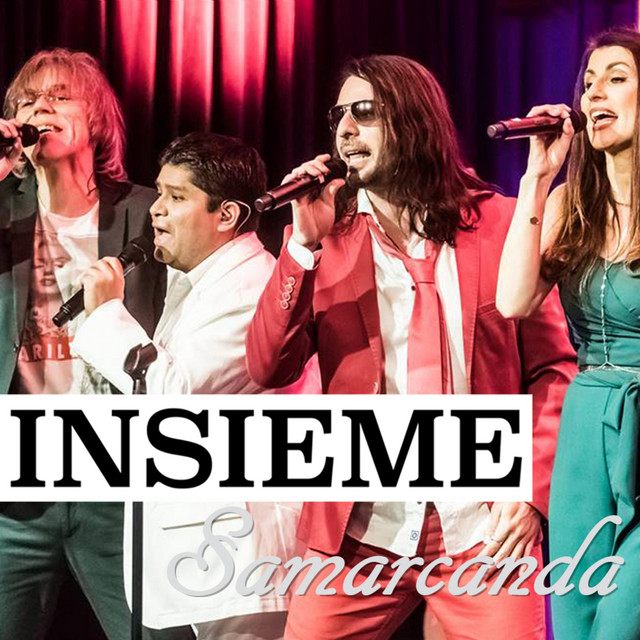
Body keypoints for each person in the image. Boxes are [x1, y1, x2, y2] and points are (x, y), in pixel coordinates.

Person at [245, 54, 577, 640]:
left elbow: (554, 369)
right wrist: (300, 247)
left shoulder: (501, 224)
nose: (345, 131)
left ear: (415, 120)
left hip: (482, 528)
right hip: (358, 530)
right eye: (338, 117)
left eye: (364, 113)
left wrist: (532, 493)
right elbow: (269, 366)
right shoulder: (326, 239)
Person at [72, 132, 318, 639]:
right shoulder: (201, 283)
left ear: (226, 215)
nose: (156, 210)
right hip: (197, 555)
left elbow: (174, 395)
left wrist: (107, 313)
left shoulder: (252, 287)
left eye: (176, 197)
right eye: (159, 193)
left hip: (235, 556)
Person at [0, 49, 189, 640]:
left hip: (118, 481)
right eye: (29, 101)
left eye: (60, 97)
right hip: (16, 492)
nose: (41, 108)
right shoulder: (2, 210)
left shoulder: (147, 211)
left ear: (98, 118)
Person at [496, 27, 640, 640]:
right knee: (577, 620)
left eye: (617, 78)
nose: (595, 93)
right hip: (585, 429)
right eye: (588, 83)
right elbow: (513, 300)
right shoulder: (568, 206)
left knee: (620, 622)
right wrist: (536, 177)